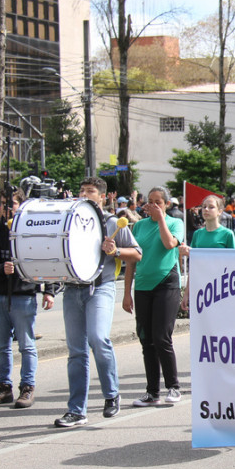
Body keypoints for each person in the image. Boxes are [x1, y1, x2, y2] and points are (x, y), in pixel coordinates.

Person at [55, 178, 143, 427]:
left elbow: (136, 253)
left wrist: (114, 251)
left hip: (101, 287)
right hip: (73, 289)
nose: (85, 194)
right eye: (82, 190)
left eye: (90, 191)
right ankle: (76, 410)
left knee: (97, 338)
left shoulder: (113, 222)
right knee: (76, 351)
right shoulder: (69, 220)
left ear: (102, 197)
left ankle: (111, 393)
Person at [0, 192, 57, 408]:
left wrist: (48, 290)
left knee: (26, 344)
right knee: (1, 345)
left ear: (20, 205)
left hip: (23, 296)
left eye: (11, 203)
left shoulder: (30, 231)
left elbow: (46, 258)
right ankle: (3, 386)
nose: (7, 208)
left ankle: (27, 386)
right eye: (3, 204)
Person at [123, 186, 185, 406]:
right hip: (143, 286)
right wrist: (126, 294)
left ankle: (174, 387)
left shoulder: (175, 223)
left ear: (166, 204)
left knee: (161, 337)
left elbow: (170, 244)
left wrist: (160, 220)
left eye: (158, 202)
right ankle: (152, 391)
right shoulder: (138, 226)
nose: (153, 205)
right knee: (146, 339)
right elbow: (132, 260)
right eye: (150, 201)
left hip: (166, 283)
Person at [179, 194, 235, 312]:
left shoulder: (227, 234)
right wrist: (187, 292)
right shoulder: (198, 234)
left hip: (221, 286)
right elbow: (194, 266)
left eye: (211, 207)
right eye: (204, 206)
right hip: (201, 285)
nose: (206, 210)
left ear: (220, 211)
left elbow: (234, 262)